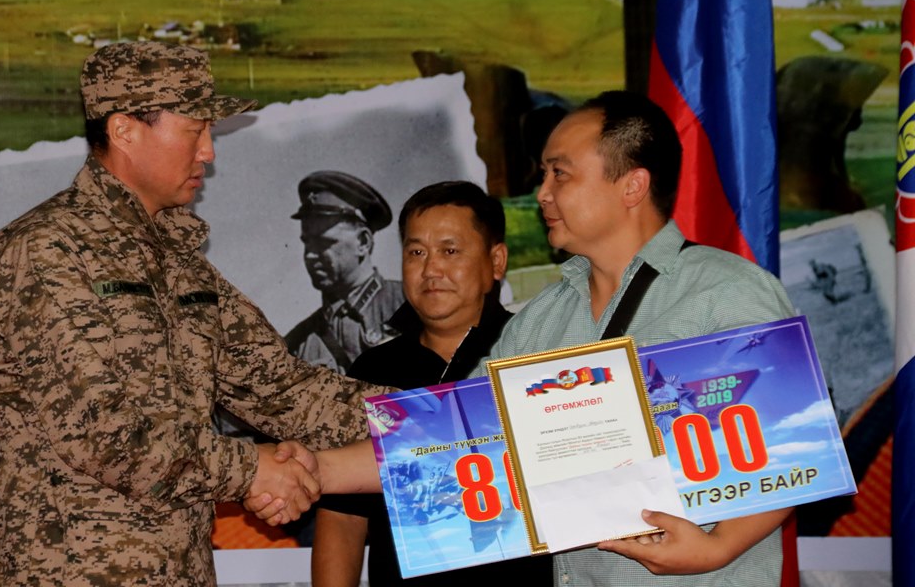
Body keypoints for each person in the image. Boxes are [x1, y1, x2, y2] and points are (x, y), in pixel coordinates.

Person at [248, 90, 797, 585]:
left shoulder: (723, 292)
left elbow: (795, 438)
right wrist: (313, 468)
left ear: (632, 185)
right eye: (544, 175)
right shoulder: (542, 321)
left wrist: (717, 547)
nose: (543, 194)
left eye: (560, 174)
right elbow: (457, 440)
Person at [0, 41, 388, 587]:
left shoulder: (179, 263)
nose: (208, 152)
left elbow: (283, 388)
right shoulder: (45, 251)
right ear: (124, 130)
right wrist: (253, 470)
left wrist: (435, 418)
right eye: (194, 130)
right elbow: (102, 432)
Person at [310, 181, 551, 586]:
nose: (431, 269)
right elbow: (342, 519)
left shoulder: (536, 356)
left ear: (496, 261)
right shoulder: (373, 372)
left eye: (450, 251)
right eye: (416, 252)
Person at [285, 171, 404, 373]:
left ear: (363, 243)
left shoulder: (417, 306)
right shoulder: (296, 346)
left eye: (324, 242)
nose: (310, 255)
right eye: (307, 242)